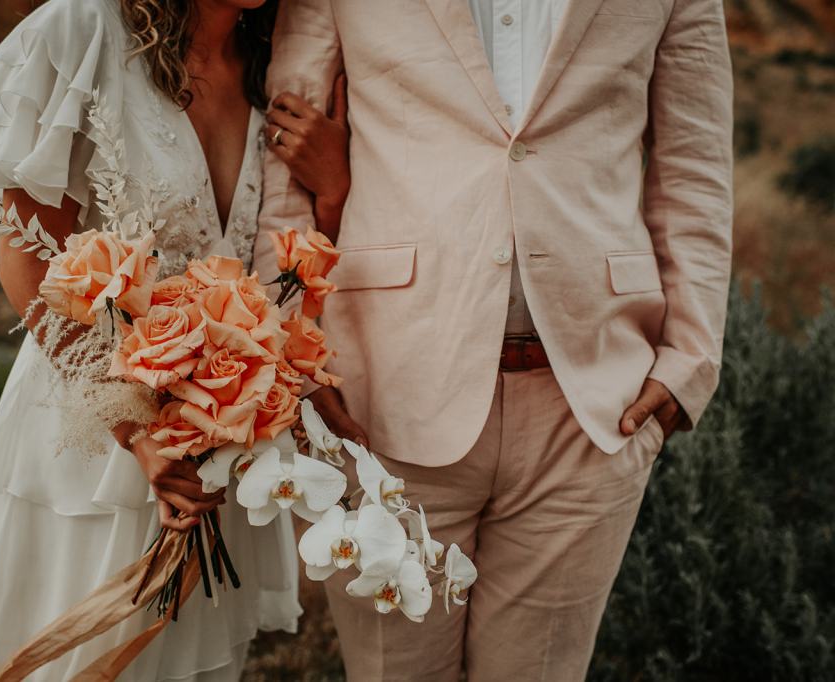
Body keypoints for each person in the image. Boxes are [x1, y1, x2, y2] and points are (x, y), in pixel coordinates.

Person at [258, 0, 733, 679]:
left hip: (591, 408)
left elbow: (696, 168)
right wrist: (294, 359)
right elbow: (284, 159)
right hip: (381, 401)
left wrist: (690, 359)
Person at [0, 0, 350, 679]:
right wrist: (137, 428)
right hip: (94, 445)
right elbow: (27, 266)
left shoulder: (283, 59)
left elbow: (292, 261)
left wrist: (333, 191)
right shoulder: (77, 33)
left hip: (222, 449)